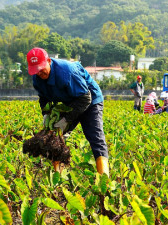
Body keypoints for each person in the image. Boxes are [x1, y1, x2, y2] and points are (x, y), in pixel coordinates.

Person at [26, 47, 109, 176]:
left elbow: (85, 98)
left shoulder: (67, 71)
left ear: (49, 61)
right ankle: (57, 176)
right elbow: (44, 98)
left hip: (90, 100)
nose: (39, 73)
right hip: (69, 102)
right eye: (35, 70)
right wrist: (46, 114)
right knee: (55, 138)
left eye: (41, 69)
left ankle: (105, 179)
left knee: (95, 136)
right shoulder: (37, 78)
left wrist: (65, 120)